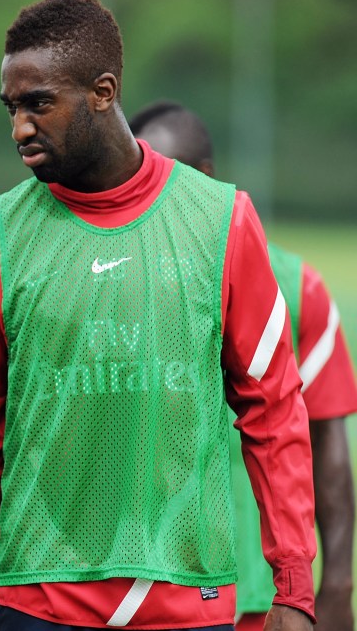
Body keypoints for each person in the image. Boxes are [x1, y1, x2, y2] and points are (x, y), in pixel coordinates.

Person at [0, 0, 317, 631]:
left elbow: (275, 410)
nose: (20, 128)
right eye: (11, 108)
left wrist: (293, 589)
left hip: (187, 596)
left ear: (104, 91)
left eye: (39, 104)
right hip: (40, 595)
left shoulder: (223, 219)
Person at [129, 100, 357, 631]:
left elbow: (329, 443)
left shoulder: (297, 287)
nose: (157, 191)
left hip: (261, 594)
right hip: (135, 588)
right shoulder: (113, 277)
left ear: (208, 178)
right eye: (144, 172)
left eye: (172, 173)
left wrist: (339, 584)